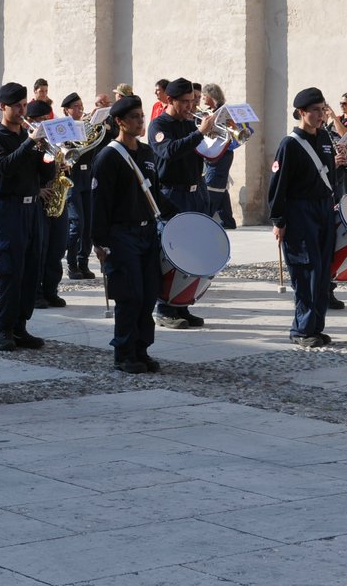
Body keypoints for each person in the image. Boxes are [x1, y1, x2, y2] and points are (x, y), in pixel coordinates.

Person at [92, 95, 176, 373]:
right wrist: (99, 242)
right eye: (135, 118)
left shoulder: (147, 153)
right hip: (121, 234)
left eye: (142, 116)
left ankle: (142, 349)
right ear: (119, 122)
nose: (141, 122)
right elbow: (100, 203)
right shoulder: (108, 157)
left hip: (147, 232)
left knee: (149, 293)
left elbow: (155, 192)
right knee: (130, 295)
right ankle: (124, 352)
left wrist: (180, 217)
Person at [269, 87, 347, 346]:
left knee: (323, 272)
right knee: (306, 271)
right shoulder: (290, 144)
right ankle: (302, 330)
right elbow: (278, 185)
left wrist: (338, 166)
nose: (321, 114)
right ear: (302, 113)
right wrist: (279, 221)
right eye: (315, 110)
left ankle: (315, 326)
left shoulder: (325, 138)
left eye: (323, 109)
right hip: (300, 211)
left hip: (323, 208)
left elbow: (328, 180)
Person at [0, 82, 56, 351]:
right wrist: (29, 143)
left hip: (32, 208)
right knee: (10, 269)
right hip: (9, 209)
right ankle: (4, 329)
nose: (22, 110)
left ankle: (21, 326)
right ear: (3, 107)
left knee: (30, 269)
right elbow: (4, 167)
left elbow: (45, 174)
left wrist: (49, 155)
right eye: (16, 106)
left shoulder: (29, 138)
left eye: (24, 105)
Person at [149, 77, 219, 328]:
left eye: (193, 101)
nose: (191, 107)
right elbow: (169, 151)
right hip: (171, 195)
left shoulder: (190, 123)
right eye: (186, 102)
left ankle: (183, 304)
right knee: (171, 253)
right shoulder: (160, 125)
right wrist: (199, 133)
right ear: (170, 100)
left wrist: (219, 139)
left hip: (195, 193)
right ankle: (165, 308)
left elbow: (205, 153)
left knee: (193, 251)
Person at [26, 98, 69, 309]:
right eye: (41, 119)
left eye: (47, 118)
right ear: (32, 120)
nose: (46, 123)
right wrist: (37, 190)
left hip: (56, 196)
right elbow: (22, 172)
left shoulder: (52, 141)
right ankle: (36, 292)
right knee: (39, 249)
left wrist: (63, 167)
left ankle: (51, 290)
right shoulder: (28, 141)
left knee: (57, 246)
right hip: (38, 198)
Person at [60, 92, 98, 279]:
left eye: (81, 105)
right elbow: (65, 152)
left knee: (89, 224)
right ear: (67, 110)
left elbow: (94, 148)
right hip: (73, 178)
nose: (80, 109)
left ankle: (83, 262)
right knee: (77, 223)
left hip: (87, 176)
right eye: (76, 106)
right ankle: (71, 262)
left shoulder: (86, 126)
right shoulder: (62, 129)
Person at [201, 84, 239, 230]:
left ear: (211, 97)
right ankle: (228, 220)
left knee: (213, 185)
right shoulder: (210, 111)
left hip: (222, 153)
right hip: (216, 151)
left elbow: (230, 131)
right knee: (220, 187)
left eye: (204, 95)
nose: (203, 98)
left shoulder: (223, 111)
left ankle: (206, 218)